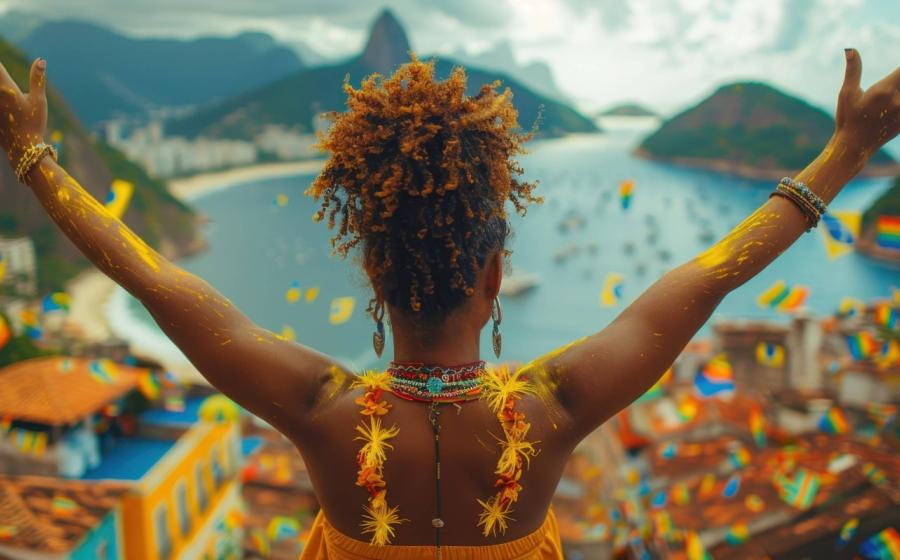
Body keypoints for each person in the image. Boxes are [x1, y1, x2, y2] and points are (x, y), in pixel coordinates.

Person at [2, 49, 898, 559]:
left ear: (374, 274)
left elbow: (153, 280)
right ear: (495, 275)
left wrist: (36, 161)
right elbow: (709, 278)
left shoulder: (320, 410)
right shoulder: (554, 407)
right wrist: (846, 152)